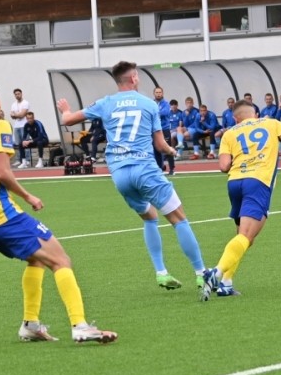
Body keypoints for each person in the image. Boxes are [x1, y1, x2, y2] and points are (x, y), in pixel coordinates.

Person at [0, 80, 116, 344]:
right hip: (2, 215)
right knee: (61, 260)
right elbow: (2, 173)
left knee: (36, 260)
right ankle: (80, 325)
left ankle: (31, 324)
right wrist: (28, 196)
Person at [58, 60, 208, 292]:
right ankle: (201, 273)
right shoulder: (148, 104)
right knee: (179, 219)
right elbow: (160, 145)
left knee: (149, 216)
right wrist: (171, 150)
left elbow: (67, 120)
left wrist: (66, 109)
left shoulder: (106, 102)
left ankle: (161, 272)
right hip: (144, 168)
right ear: (134, 78)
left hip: (120, 174)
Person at [201, 100, 281, 299]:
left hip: (234, 183)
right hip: (257, 182)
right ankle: (216, 273)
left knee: (244, 236)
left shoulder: (229, 133)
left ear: (235, 118)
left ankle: (226, 283)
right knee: (246, 236)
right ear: (255, 113)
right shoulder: (271, 123)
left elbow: (224, 166)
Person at [152, 86, 175, 175]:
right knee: (156, 149)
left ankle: (172, 169)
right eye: (157, 92)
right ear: (154, 93)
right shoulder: (151, 103)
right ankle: (160, 167)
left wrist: (155, 113)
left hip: (164, 129)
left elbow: (164, 113)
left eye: (160, 92)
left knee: (167, 148)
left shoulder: (166, 104)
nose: (158, 94)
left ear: (162, 93)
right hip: (155, 130)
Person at [9, 88, 31, 167]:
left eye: (18, 94)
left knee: (25, 142)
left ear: (21, 94)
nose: (17, 95)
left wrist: (16, 115)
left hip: (24, 125)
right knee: (18, 143)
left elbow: (22, 115)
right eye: (16, 94)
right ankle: (20, 159)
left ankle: (27, 160)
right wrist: (17, 115)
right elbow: (11, 115)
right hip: (17, 126)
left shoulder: (25, 103)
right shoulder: (13, 104)